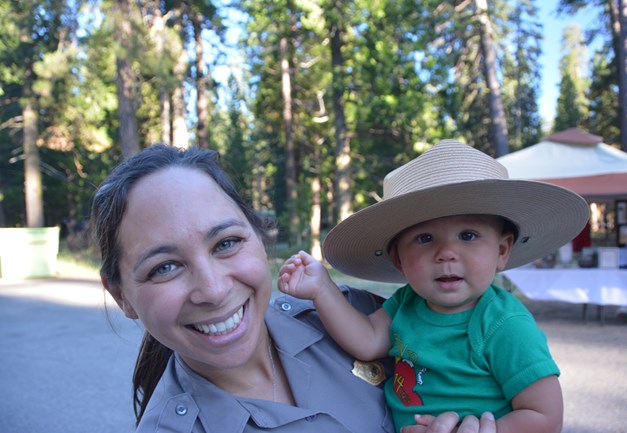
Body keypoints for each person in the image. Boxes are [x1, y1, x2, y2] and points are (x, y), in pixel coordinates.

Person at [90, 143, 496, 433]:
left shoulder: (351, 314)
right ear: (121, 295)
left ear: (259, 237)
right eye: (165, 267)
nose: (212, 290)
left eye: (226, 243)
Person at [278, 139, 590, 433]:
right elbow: (367, 340)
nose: (446, 253)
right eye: (425, 238)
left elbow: (546, 416)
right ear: (398, 259)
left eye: (468, 235)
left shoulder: (504, 325)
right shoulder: (406, 303)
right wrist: (322, 289)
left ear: (502, 250)